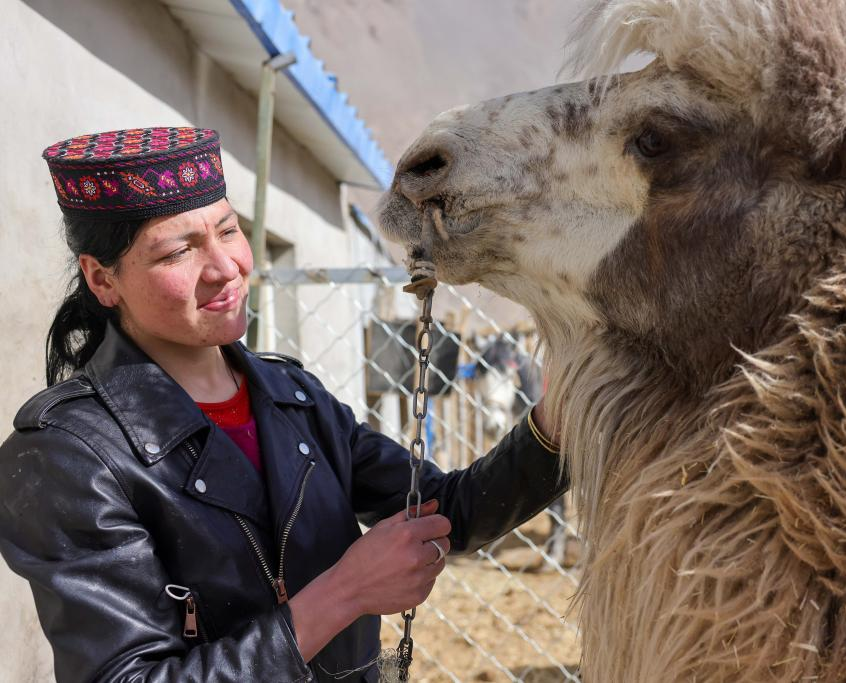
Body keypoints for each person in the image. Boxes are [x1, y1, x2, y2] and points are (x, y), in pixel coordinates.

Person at [0, 127, 566, 682]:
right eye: (178, 252)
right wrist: (345, 593)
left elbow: (448, 511)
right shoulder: (66, 456)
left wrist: (562, 418)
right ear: (102, 280)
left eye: (228, 230)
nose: (225, 268)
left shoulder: (292, 398)